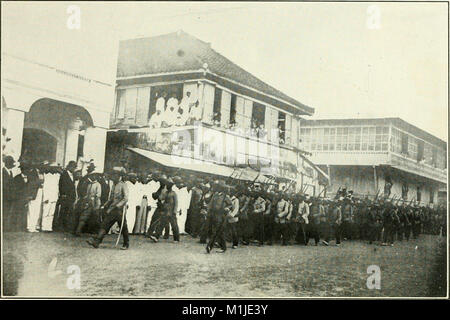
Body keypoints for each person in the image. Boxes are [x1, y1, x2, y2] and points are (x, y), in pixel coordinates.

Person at [87, 167, 129, 250]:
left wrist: (118, 206)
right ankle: (97, 242)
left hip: (119, 210)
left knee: (123, 227)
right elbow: (111, 198)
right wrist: (105, 205)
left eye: (114, 175)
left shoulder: (123, 185)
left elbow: (125, 198)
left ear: (118, 176)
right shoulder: (114, 185)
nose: (113, 177)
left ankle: (126, 244)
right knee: (105, 224)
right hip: (112, 209)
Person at [206, 181, 233, 253]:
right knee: (220, 232)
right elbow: (210, 205)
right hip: (213, 214)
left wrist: (227, 208)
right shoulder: (215, 195)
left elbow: (230, 205)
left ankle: (209, 246)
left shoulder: (225, 196)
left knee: (216, 231)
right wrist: (208, 213)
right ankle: (223, 247)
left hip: (221, 215)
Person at [153, 177, 180, 242]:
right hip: (165, 211)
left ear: (171, 186)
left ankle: (176, 239)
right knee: (161, 224)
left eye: (168, 185)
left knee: (174, 226)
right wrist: (157, 195)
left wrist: (174, 211)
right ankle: (156, 237)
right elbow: (161, 198)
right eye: (167, 184)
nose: (167, 186)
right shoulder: (166, 193)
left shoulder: (174, 193)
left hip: (171, 212)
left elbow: (176, 203)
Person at [54, 161, 77, 232]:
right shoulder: (64, 174)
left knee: (68, 212)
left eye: (75, 167)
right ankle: (60, 227)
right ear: (69, 167)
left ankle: (66, 227)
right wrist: (63, 194)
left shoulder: (73, 175)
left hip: (71, 197)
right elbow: (61, 185)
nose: (74, 169)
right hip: (65, 196)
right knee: (63, 211)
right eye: (73, 167)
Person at [2, 156, 16, 232]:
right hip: (5, 196)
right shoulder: (3, 172)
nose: (12, 164)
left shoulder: (10, 172)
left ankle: (5, 227)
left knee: (7, 212)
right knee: (4, 211)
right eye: (11, 162)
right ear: (7, 163)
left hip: (9, 197)